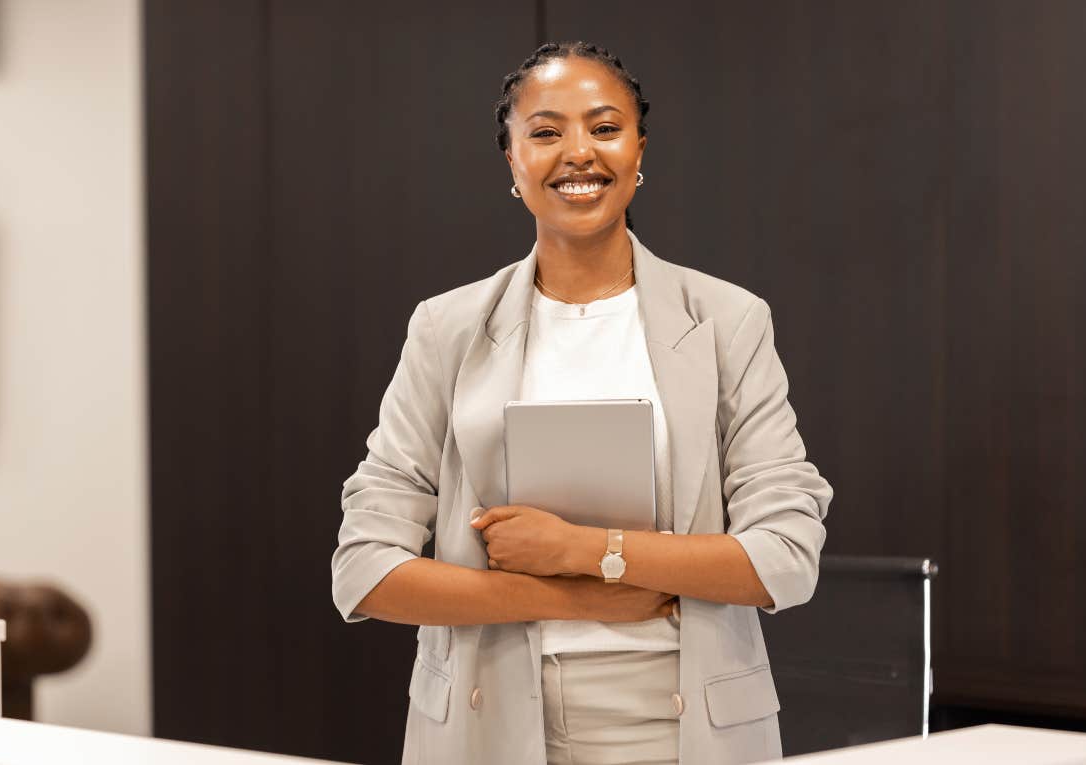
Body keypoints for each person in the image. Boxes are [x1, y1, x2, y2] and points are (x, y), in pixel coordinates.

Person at [331, 41, 833, 765]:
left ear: (638, 151)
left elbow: (784, 557)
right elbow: (365, 570)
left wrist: (586, 550)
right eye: (544, 132)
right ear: (512, 160)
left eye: (604, 128)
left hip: (682, 724)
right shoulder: (446, 328)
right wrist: (575, 597)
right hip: (485, 725)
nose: (578, 153)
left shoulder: (728, 321)